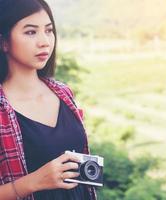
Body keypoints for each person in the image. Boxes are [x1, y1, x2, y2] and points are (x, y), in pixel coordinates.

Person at [0, 0, 97, 199]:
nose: (44, 41)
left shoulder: (63, 92)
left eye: (49, 30)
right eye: (30, 32)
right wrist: (33, 182)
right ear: (4, 42)